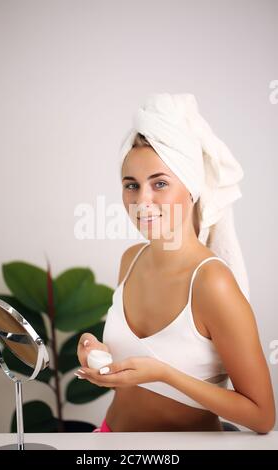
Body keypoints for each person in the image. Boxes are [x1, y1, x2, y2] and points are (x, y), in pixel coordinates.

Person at [76, 93, 276, 433]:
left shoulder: (212, 282)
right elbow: (139, 354)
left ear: (192, 189)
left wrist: (164, 374)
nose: (142, 200)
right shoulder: (131, 260)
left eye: (160, 184)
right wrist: (96, 350)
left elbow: (262, 416)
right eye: (131, 185)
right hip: (110, 440)